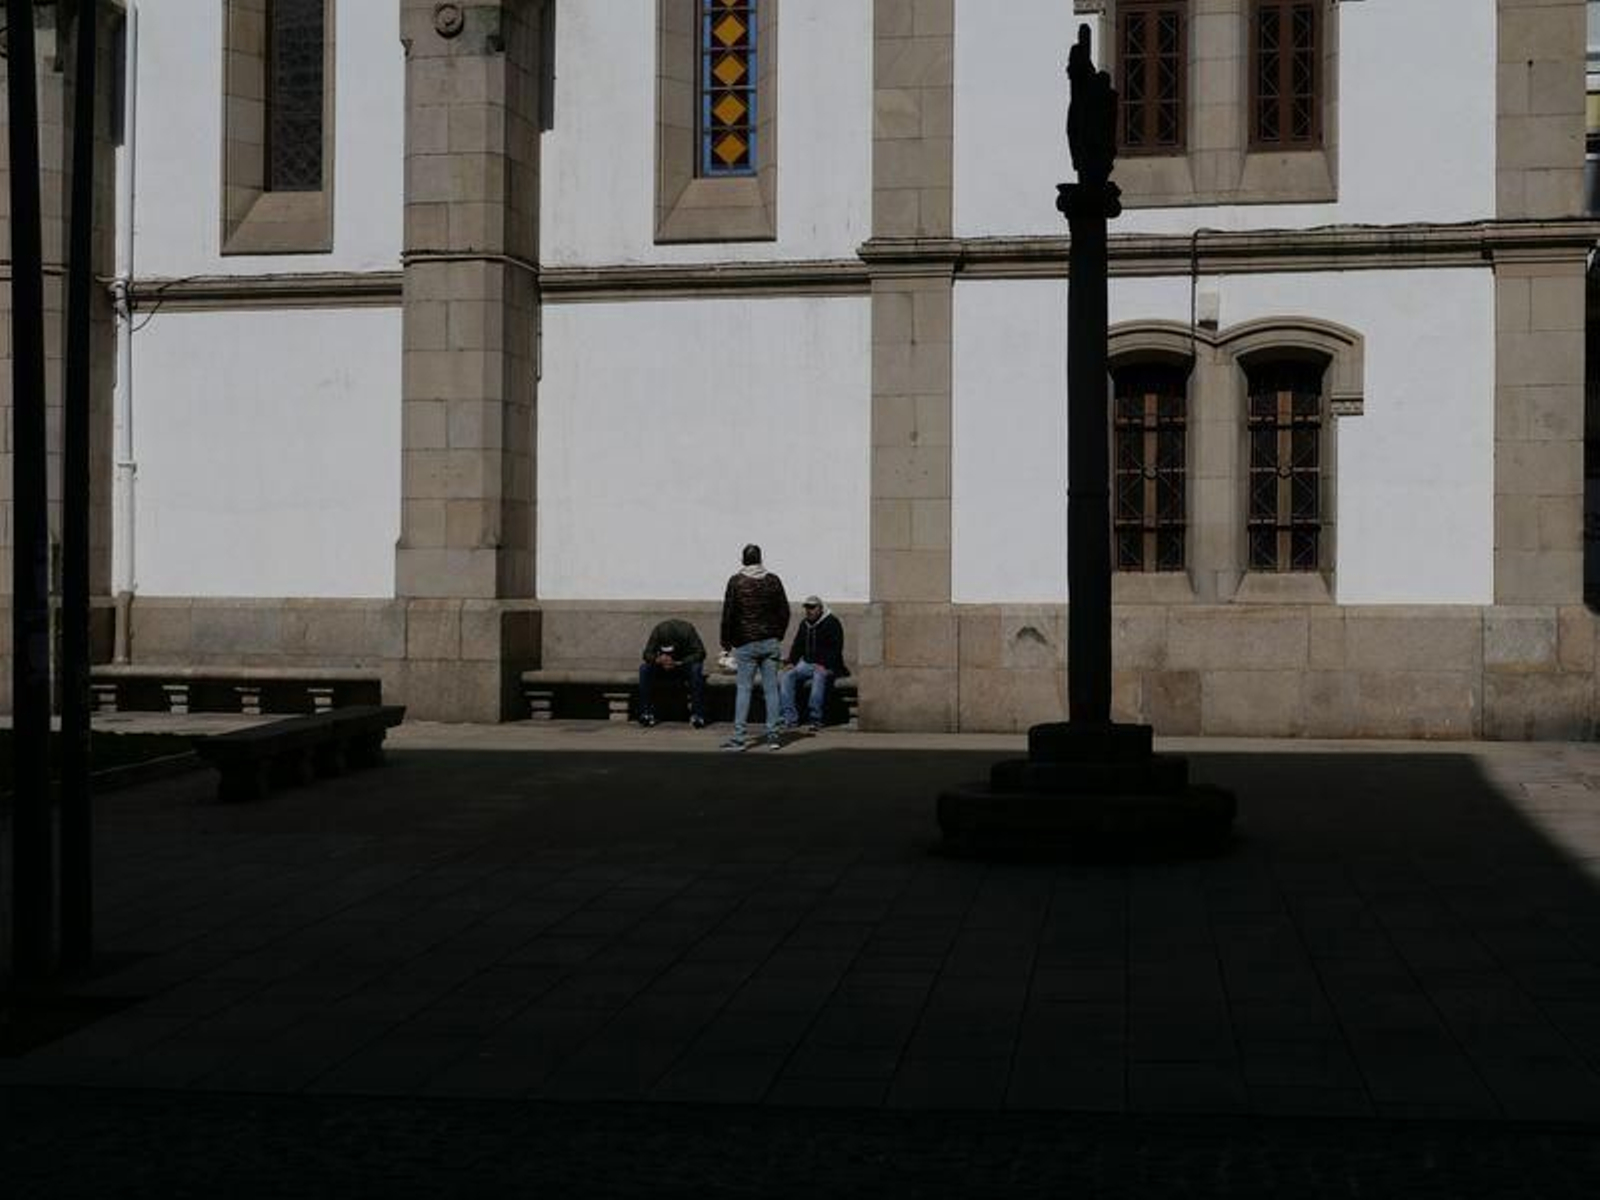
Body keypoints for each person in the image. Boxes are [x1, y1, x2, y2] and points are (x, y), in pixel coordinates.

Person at [718, 543, 790, 752]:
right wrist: (778, 634)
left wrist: (726, 642)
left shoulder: (736, 582)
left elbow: (728, 613)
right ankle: (774, 737)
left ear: (743, 559)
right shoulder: (773, 581)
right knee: (771, 691)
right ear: (760, 559)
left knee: (743, 690)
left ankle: (739, 738)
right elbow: (784, 611)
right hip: (770, 642)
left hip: (745, 644)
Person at [780, 596, 848, 732]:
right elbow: (798, 644)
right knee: (787, 676)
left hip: (829, 665)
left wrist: (824, 664)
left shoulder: (832, 622)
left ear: (820, 608)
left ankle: (815, 719)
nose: (809, 611)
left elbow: (836, 648)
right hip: (807, 664)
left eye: (812, 607)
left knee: (819, 676)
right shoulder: (804, 624)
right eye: (807, 608)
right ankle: (789, 718)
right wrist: (792, 662)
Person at [637, 618, 707, 728]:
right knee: (644, 669)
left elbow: (700, 653)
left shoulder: (688, 631)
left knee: (696, 669)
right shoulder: (658, 631)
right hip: (663, 667)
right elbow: (647, 654)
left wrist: (680, 662)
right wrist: (658, 659)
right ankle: (646, 714)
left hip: (683, 666)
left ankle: (697, 715)